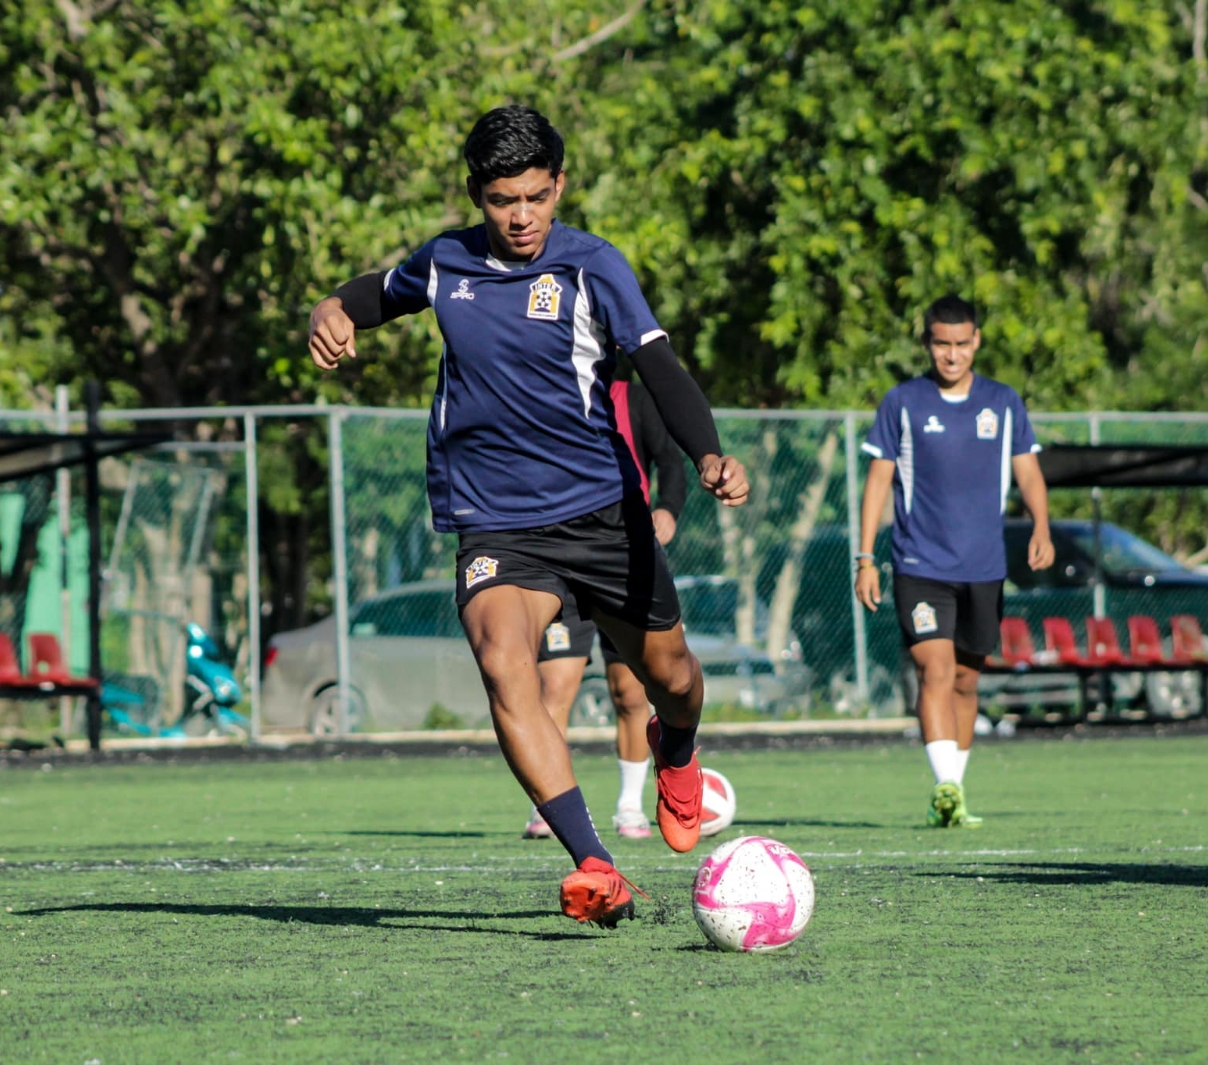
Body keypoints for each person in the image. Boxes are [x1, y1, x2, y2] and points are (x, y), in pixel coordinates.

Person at [308, 105, 748, 925]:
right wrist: (328, 309)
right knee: (504, 664)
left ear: (560, 187)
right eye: (503, 199)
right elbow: (372, 295)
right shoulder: (445, 262)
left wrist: (707, 454)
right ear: (477, 194)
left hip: (604, 514)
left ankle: (677, 748)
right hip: (497, 522)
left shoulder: (594, 267)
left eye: (537, 197)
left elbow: (658, 365)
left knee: (675, 680)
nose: (521, 216)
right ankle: (595, 862)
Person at [854, 295, 1052, 828]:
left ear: (976, 342)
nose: (952, 355)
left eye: (962, 344)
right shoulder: (903, 402)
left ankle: (954, 794)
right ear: (927, 344)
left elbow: (1028, 472)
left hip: (984, 567)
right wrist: (865, 557)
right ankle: (943, 783)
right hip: (920, 563)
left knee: (967, 679)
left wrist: (1041, 526)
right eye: (942, 344)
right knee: (934, 669)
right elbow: (879, 481)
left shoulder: (1004, 402)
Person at [520, 375, 687, 842]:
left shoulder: (634, 396)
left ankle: (630, 806)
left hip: (622, 560)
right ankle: (546, 805)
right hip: (559, 562)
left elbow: (670, 462)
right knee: (554, 687)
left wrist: (668, 508)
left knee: (631, 694)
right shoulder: (544, 387)